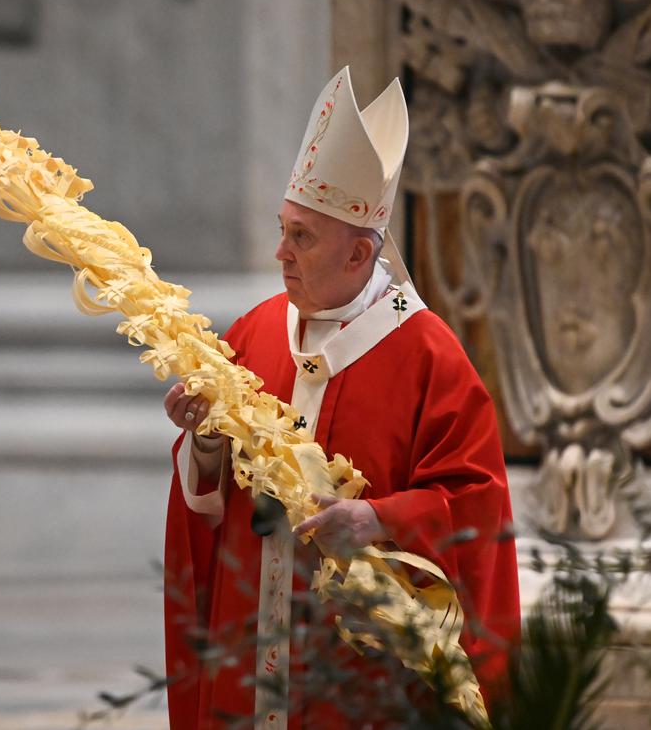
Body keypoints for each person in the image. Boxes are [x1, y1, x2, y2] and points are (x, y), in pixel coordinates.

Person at [161, 67, 520, 729]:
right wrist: (204, 444)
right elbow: (210, 503)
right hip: (254, 652)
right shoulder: (256, 331)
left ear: (359, 254)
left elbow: (478, 507)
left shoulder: (429, 356)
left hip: (361, 678)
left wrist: (376, 521)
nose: (281, 253)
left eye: (302, 237)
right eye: (283, 229)